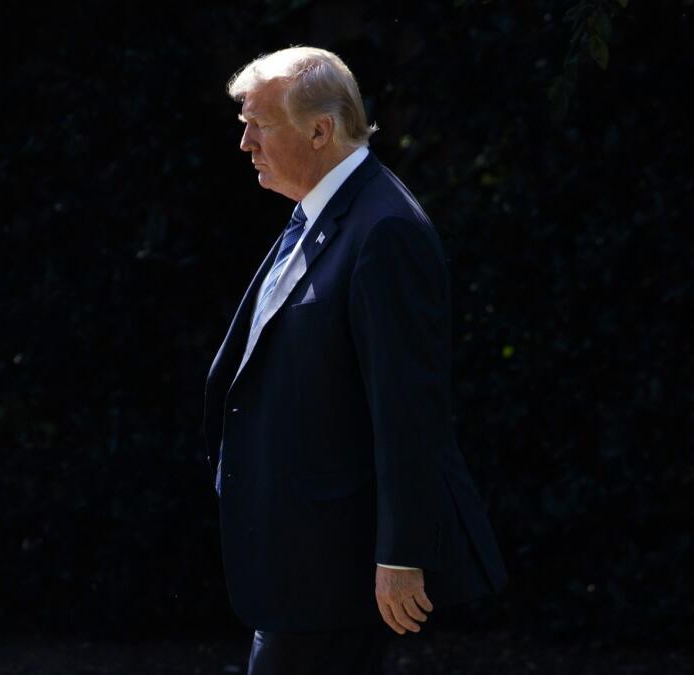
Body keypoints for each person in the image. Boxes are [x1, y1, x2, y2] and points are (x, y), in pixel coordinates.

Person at [201, 46, 508, 674]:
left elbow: (408, 407)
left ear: (321, 130)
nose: (246, 144)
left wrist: (401, 554)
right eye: (244, 125)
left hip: (337, 565)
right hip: (298, 559)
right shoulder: (319, 214)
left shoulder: (384, 228)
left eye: (259, 124)